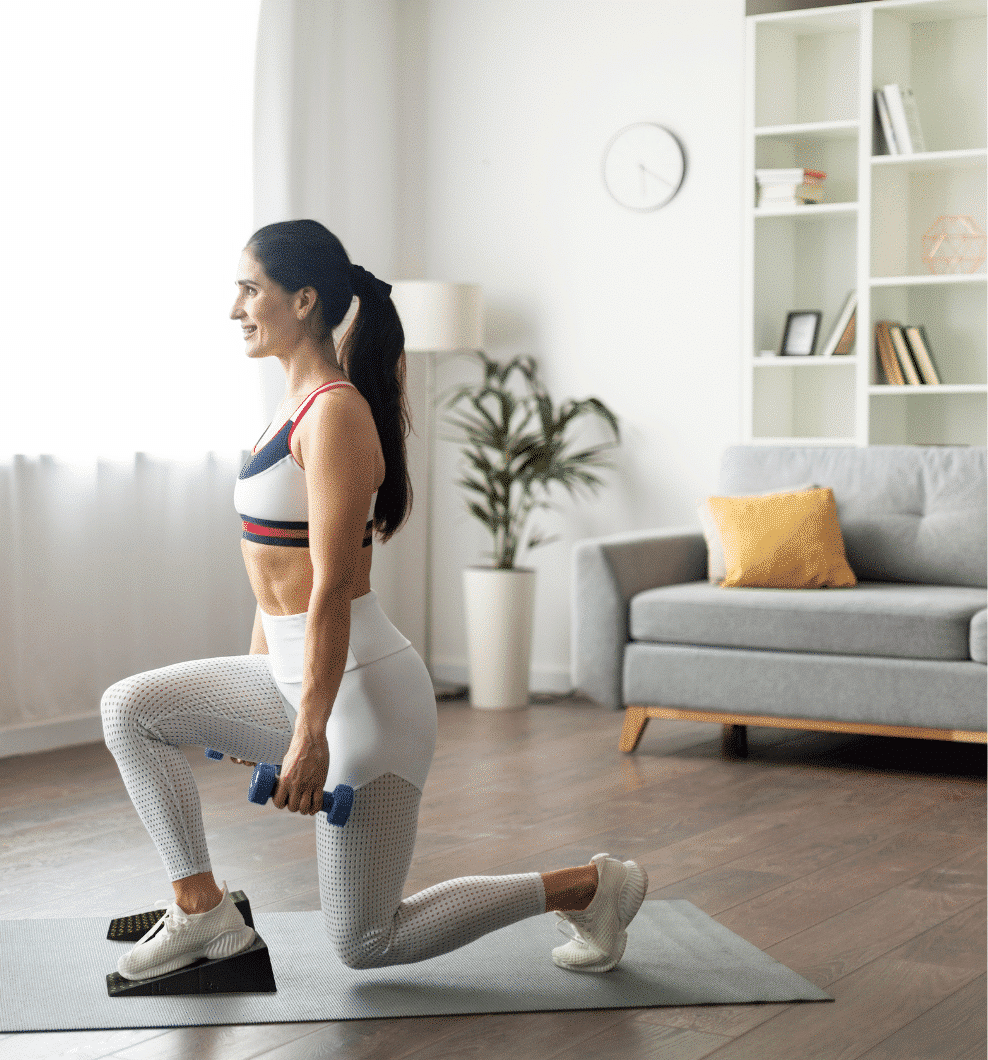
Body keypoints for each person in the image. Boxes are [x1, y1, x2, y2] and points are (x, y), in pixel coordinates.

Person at [100, 219, 647, 981]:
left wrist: (310, 732)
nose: (235, 308)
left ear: (304, 300)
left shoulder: (336, 414)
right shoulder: (286, 411)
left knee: (366, 943)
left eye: (249, 289)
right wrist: (254, 677)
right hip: (300, 676)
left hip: (363, 696)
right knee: (131, 708)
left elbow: (328, 588)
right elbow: (274, 566)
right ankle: (201, 911)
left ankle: (590, 887)